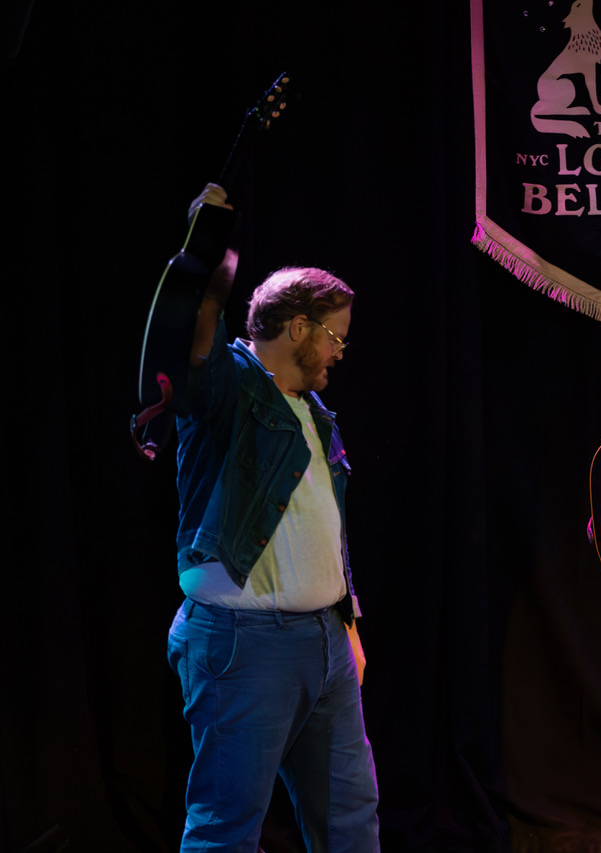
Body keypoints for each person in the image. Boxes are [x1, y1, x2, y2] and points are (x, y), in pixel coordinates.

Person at [164, 183, 380, 851]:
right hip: (243, 644)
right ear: (300, 328)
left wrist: (346, 622)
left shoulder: (317, 415)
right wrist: (205, 251)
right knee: (227, 829)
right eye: (336, 336)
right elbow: (195, 332)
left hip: (324, 647)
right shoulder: (227, 387)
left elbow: (326, 529)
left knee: (349, 822)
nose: (342, 350)